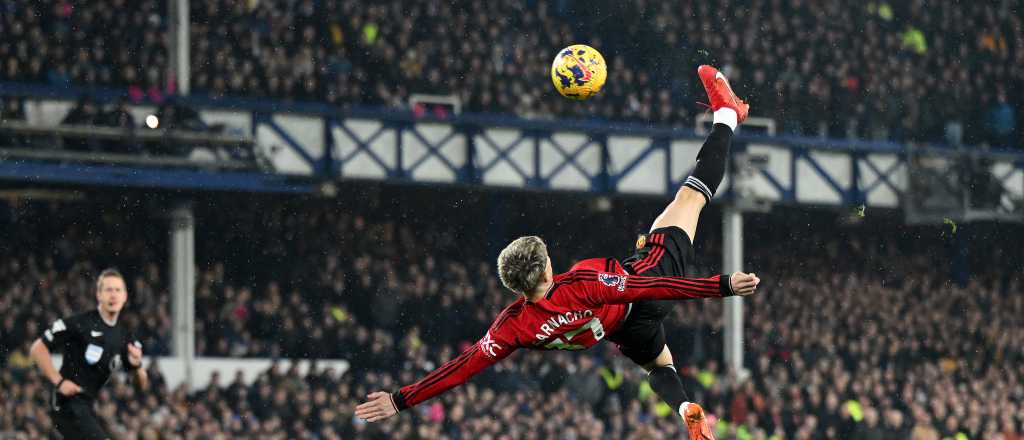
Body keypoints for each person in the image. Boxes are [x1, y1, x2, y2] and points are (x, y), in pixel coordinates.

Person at [356, 65, 755, 440]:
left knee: (658, 364)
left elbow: (460, 369)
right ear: (547, 267)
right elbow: (652, 287)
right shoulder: (582, 281)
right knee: (691, 196)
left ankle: (684, 406)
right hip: (645, 287)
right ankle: (727, 115)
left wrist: (400, 399)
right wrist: (723, 286)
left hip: (621, 330)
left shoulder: (513, 326)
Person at [29, 268, 149, 440]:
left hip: (87, 406)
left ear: (125, 297)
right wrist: (59, 381)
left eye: (117, 290)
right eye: (108, 290)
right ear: (98, 295)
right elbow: (37, 349)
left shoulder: (125, 337)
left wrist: (137, 366)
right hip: (66, 403)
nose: (113, 295)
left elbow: (140, 386)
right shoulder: (79, 323)